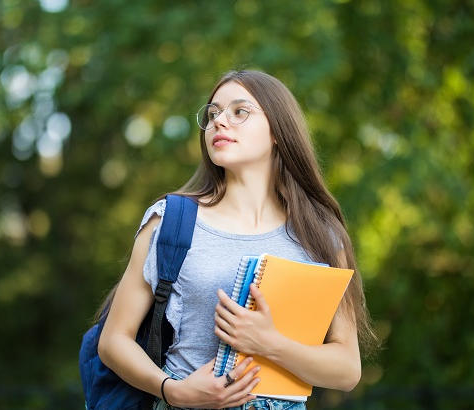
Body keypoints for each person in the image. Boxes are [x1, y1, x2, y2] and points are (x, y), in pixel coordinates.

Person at [97, 70, 376, 409]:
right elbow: (113, 341)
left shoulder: (321, 235)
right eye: (212, 114)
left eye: (239, 112)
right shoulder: (169, 221)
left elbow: (347, 370)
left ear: (278, 130)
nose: (219, 122)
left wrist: (269, 343)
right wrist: (173, 390)